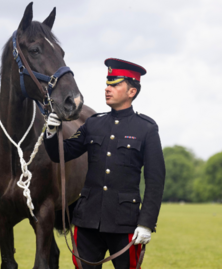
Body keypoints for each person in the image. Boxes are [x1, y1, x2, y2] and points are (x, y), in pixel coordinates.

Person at [44, 58, 166, 269]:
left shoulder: (146, 129)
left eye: (115, 84)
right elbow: (60, 154)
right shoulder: (93, 123)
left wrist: (146, 223)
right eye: (107, 84)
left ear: (132, 92)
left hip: (125, 224)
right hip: (87, 222)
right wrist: (51, 132)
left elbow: (155, 181)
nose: (107, 89)